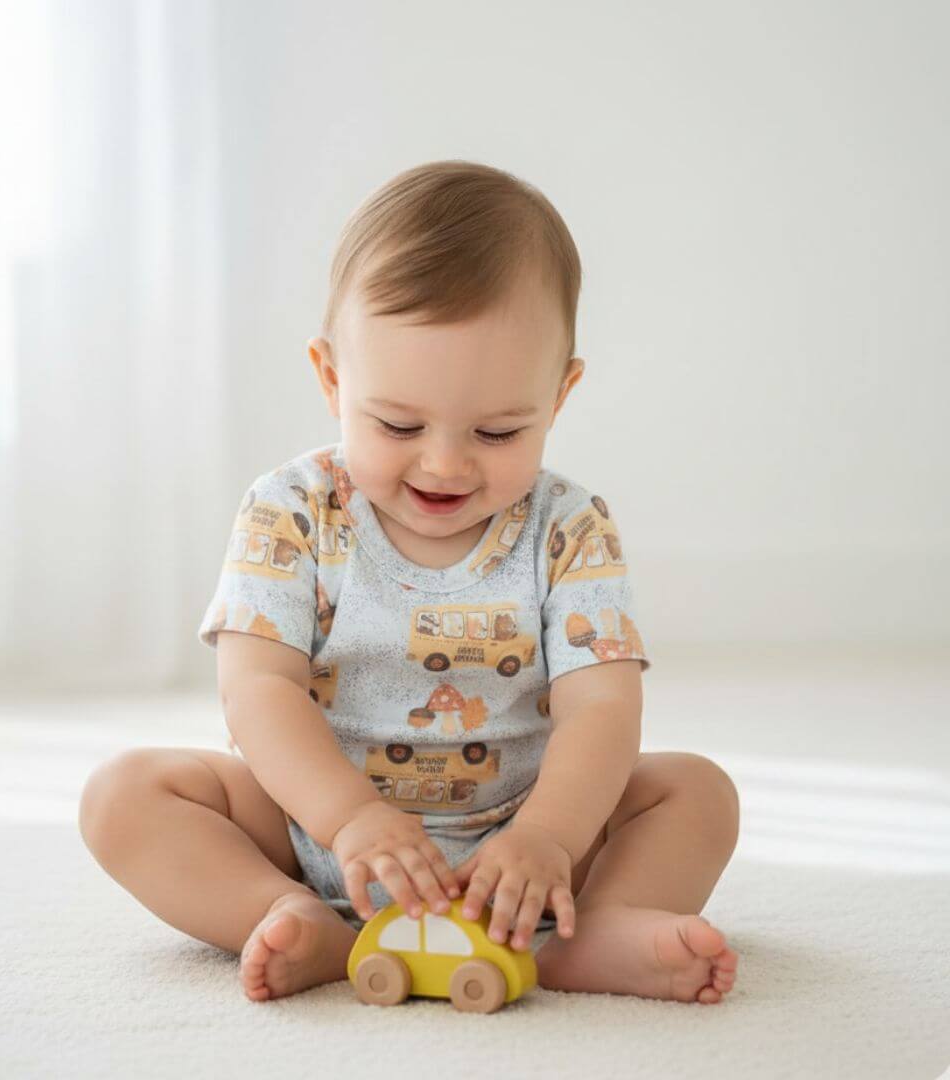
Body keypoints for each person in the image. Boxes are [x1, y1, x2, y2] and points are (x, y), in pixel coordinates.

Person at [79, 160, 740, 1005]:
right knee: (124, 796)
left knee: (696, 793)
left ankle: (594, 931)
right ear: (332, 379)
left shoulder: (569, 528)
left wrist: (549, 834)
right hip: (313, 832)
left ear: (559, 394)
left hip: (524, 842)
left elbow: (602, 708)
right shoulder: (291, 512)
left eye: (498, 432)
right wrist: (348, 819)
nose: (444, 464)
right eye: (398, 425)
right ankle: (286, 914)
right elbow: (257, 691)